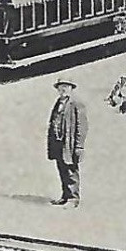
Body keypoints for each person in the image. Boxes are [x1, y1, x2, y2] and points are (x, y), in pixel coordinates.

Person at [46, 79, 87, 207]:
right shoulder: (59, 102)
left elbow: (82, 126)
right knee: (62, 169)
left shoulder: (76, 103)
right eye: (60, 87)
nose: (62, 89)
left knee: (71, 170)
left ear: (71, 88)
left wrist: (79, 146)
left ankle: (73, 199)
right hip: (58, 143)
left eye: (65, 86)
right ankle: (65, 196)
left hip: (69, 143)